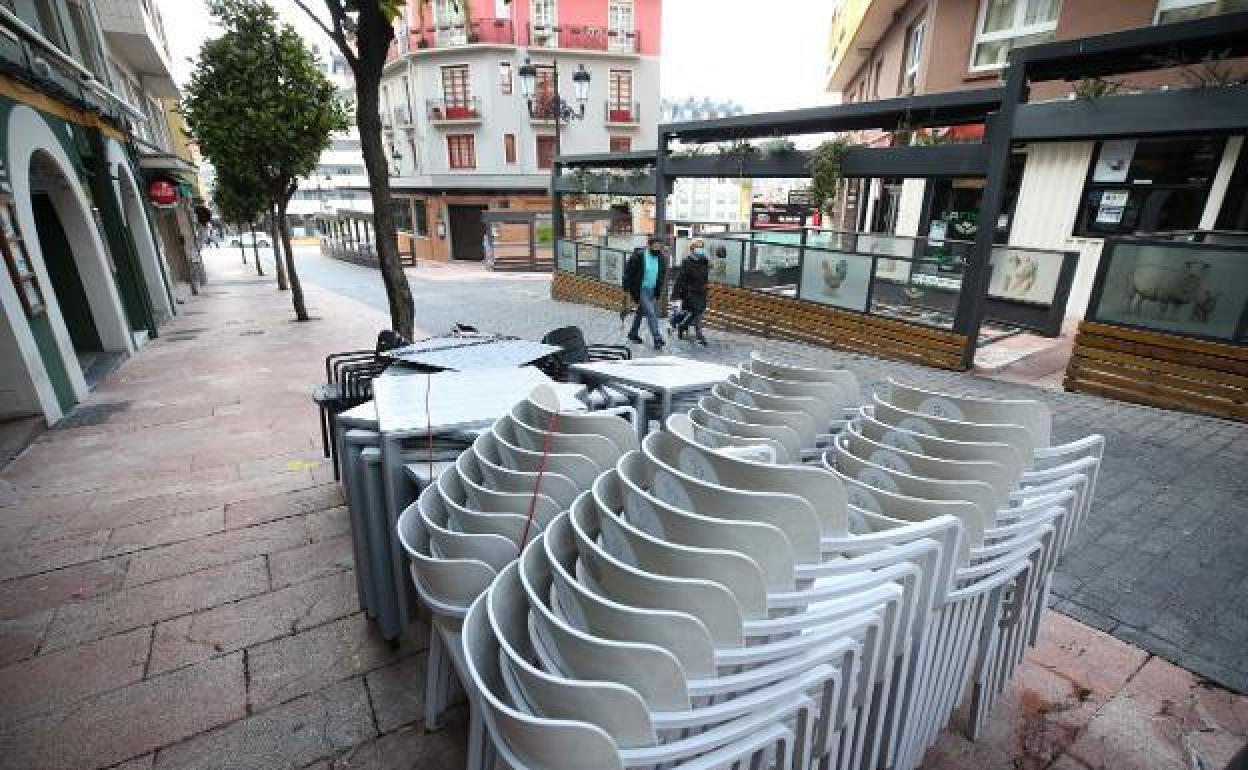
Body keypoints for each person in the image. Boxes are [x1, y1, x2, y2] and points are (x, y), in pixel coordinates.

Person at [622, 236, 667, 350]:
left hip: (652, 290)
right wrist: (626, 290)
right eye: (655, 246)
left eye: (659, 247)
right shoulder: (639, 256)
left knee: (641, 312)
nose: (657, 249)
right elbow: (628, 273)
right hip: (640, 289)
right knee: (651, 313)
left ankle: (633, 333)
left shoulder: (661, 258)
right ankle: (657, 338)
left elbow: (661, 276)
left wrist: (657, 292)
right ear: (649, 245)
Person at [670, 238, 711, 345]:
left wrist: (706, 286)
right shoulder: (687, 261)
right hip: (690, 292)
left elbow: (705, 276)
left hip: (701, 291)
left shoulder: (705, 261)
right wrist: (675, 295)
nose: (700, 249)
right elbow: (680, 278)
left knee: (697, 311)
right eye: (698, 247)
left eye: (701, 247)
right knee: (696, 311)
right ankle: (698, 334)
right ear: (692, 249)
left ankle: (681, 325)